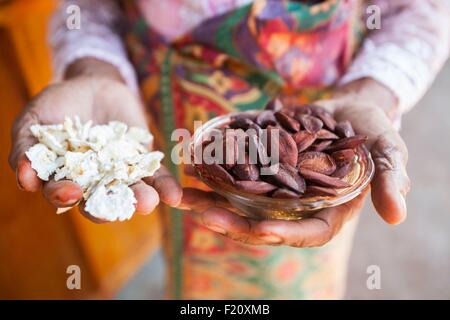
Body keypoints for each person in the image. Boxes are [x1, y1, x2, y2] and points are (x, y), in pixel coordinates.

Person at [9, 0, 450, 299]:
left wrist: (373, 92)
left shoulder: (318, 151)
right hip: (167, 134)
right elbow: (88, 8)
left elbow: (419, 9)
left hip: (325, 127)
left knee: (298, 274)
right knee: (191, 254)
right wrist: (94, 69)